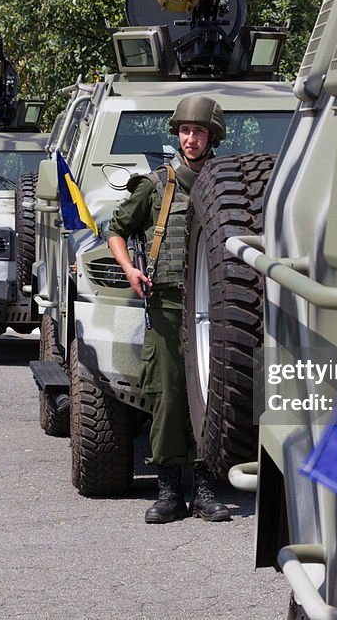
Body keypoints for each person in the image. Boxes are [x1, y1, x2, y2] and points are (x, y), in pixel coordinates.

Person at [106, 95, 232, 524]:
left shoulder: (226, 183)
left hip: (219, 310)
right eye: (184, 131)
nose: (190, 138)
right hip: (167, 302)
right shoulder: (157, 183)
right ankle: (167, 489)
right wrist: (129, 271)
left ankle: (204, 486)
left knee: (213, 396)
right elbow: (116, 231)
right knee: (166, 395)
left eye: (198, 132)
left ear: (212, 136)